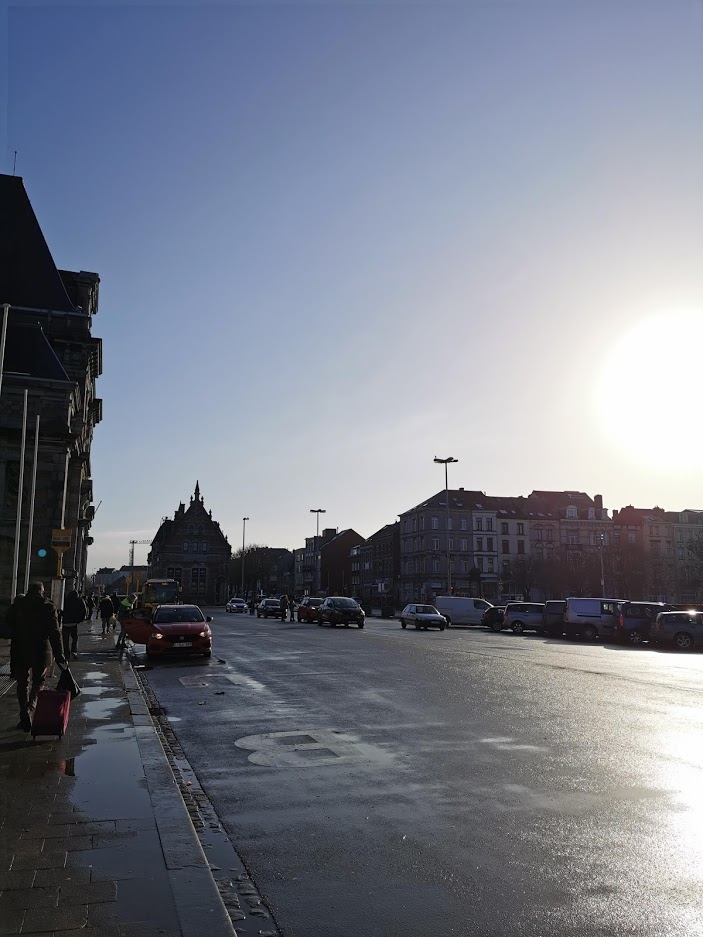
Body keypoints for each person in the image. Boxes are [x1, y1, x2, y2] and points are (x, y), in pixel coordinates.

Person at [7, 582, 67, 732]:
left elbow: (8, 625)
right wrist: (59, 655)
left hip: (20, 649)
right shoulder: (48, 606)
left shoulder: (18, 605)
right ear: (41, 591)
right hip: (40, 650)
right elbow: (55, 632)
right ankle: (30, 707)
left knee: (22, 683)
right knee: (38, 681)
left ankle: (23, 711)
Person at [62, 590, 88, 660]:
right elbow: (84, 610)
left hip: (65, 622)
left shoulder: (64, 600)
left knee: (65, 639)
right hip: (74, 623)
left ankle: (66, 653)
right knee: (75, 638)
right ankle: (74, 651)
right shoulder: (79, 601)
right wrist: (80, 619)